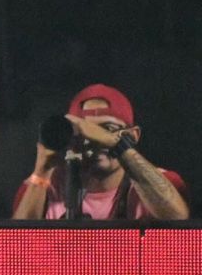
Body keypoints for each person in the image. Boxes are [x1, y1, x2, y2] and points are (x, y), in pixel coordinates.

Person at [12, 84, 189, 220]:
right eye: (85, 132)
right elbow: (18, 246)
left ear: (133, 135)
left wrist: (114, 143)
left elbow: (177, 218)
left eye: (108, 129)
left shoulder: (160, 181)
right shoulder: (44, 187)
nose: (94, 141)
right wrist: (42, 170)